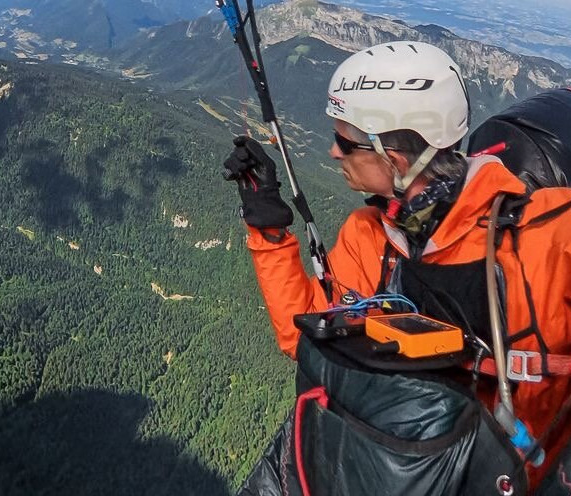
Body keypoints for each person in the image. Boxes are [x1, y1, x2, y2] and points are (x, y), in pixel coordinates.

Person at [224, 41, 571, 489]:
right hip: (401, 470)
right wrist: (268, 228)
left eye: (345, 142)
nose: (333, 152)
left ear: (395, 158)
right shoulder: (370, 236)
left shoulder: (544, 237)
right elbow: (304, 334)